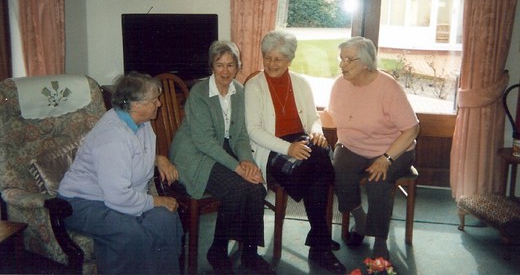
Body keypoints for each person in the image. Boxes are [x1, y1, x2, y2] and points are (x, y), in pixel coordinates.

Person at [57, 72, 183, 274]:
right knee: (132, 234)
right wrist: (156, 201)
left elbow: (133, 157)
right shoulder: (112, 136)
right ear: (135, 105)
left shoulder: (141, 123)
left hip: (117, 196)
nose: (159, 104)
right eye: (154, 100)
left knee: (165, 220)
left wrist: (159, 158)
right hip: (82, 202)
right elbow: (117, 196)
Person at [169, 40, 275, 275]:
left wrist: (247, 161)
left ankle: (250, 253)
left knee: (256, 187)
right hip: (194, 153)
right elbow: (204, 141)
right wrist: (238, 168)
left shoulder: (240, 91)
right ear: (212, 67)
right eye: (220, 65)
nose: (225, 71)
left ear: (238, 66)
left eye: (230, 65)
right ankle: (217, 250)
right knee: (237, 187)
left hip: (223, 148)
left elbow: (241, 136)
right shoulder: (199, 92)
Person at [245, 30, 346, 274]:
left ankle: (319, 239)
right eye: (267, 57)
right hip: (270, 148)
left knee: (318, 155)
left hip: (300, 143)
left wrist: (316, 132)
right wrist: (288, 148)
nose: (271, 64)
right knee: (320, 168)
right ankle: (320, 243)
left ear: (290, 60)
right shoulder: (254, 86)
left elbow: (313, 117)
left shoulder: (300, 83)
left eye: (278, 59)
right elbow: (254, 131)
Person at [327, 37, 420, 260]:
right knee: (337, 171)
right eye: (342, 59)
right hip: (352, 146)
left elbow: (412, 129)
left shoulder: (388, 87)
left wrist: (386, 158)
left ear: (367, 63)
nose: (342, 64)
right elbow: (331, 116)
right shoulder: (340, 84)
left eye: (349, 60)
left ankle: (379, 239)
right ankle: (360, 218)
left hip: (394, 148)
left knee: (378, 179)